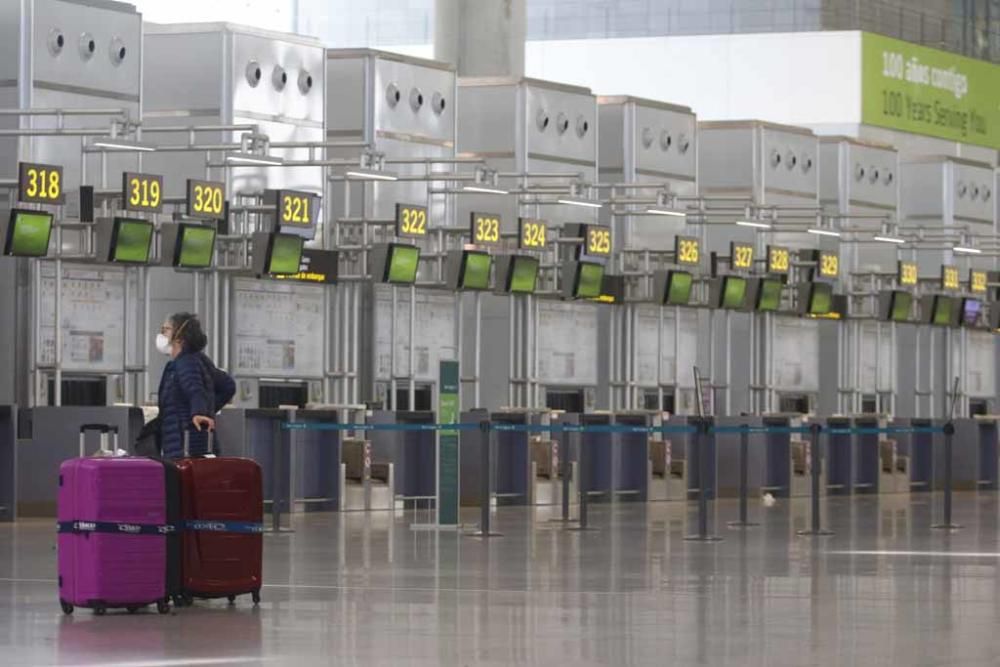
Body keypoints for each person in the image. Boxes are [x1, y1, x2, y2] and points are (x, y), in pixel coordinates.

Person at [155, 313, 235, 459]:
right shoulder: (197, 359)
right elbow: (228, 386)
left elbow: (194, 389)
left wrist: (200, 412)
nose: (161, 334)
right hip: (191, 441)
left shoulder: (185, 363)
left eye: (165, 329)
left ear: (179, 336)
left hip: (184, 444)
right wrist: (207, 409)